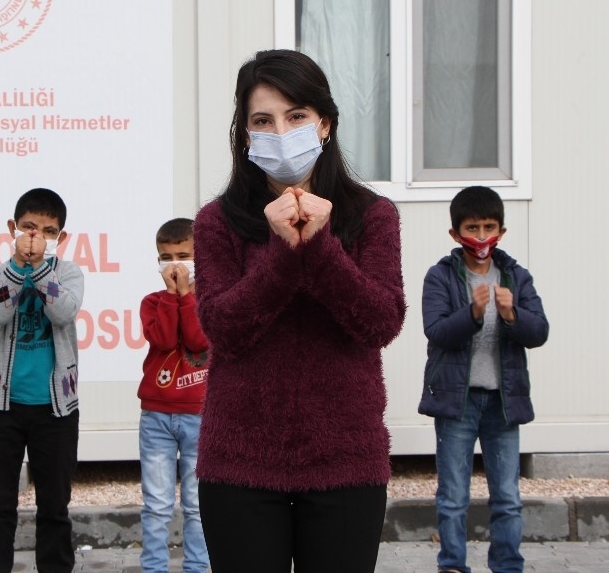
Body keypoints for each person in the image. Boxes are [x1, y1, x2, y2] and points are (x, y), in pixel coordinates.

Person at [192, 49, 407, 573]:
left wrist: (320, 246)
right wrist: (284, 252)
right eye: (262, 121)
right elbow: (224, 328)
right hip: (238, 464)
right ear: (245, 134)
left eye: (296, 117)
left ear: (324, 124)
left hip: (346, 460)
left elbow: (380, 321)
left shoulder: (373, 216)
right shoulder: (216, 222)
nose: (280, 133)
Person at [418, 185, 549, 573]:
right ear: (456, 234)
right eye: (472, 227)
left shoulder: (516, 276)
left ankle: (507, 565)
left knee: (507, 495)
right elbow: (436, 331)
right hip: (457, 402)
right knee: (453, 494)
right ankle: (453, 564)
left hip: (503, 402)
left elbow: (539, 331)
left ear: (502, 231)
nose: (480, 236)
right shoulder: (440, 276)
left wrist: (513, 316)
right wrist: (473, 313)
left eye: (489, 226)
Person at [0, 188, 84, 573]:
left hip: (55, 408)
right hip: (1, 408)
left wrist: (38, 269)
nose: (36, 236)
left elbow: (63, 312)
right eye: (28, 227)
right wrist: (19, 268)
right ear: (12, 228)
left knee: (54, 506)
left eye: (48, 231)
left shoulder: (68, 273)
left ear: (61, 238)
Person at [136, 217, 210, 573]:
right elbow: (163, 339)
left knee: (197, 505)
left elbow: (199, 341)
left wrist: (187, 297)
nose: (176, 264)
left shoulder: (210, 300)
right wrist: (171, 296)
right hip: (156, 416)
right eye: (167, 257)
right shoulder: (152, 301)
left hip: (199, 415)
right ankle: (153, 568)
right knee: (157, 504)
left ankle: (196, 567)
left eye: (184, 255)